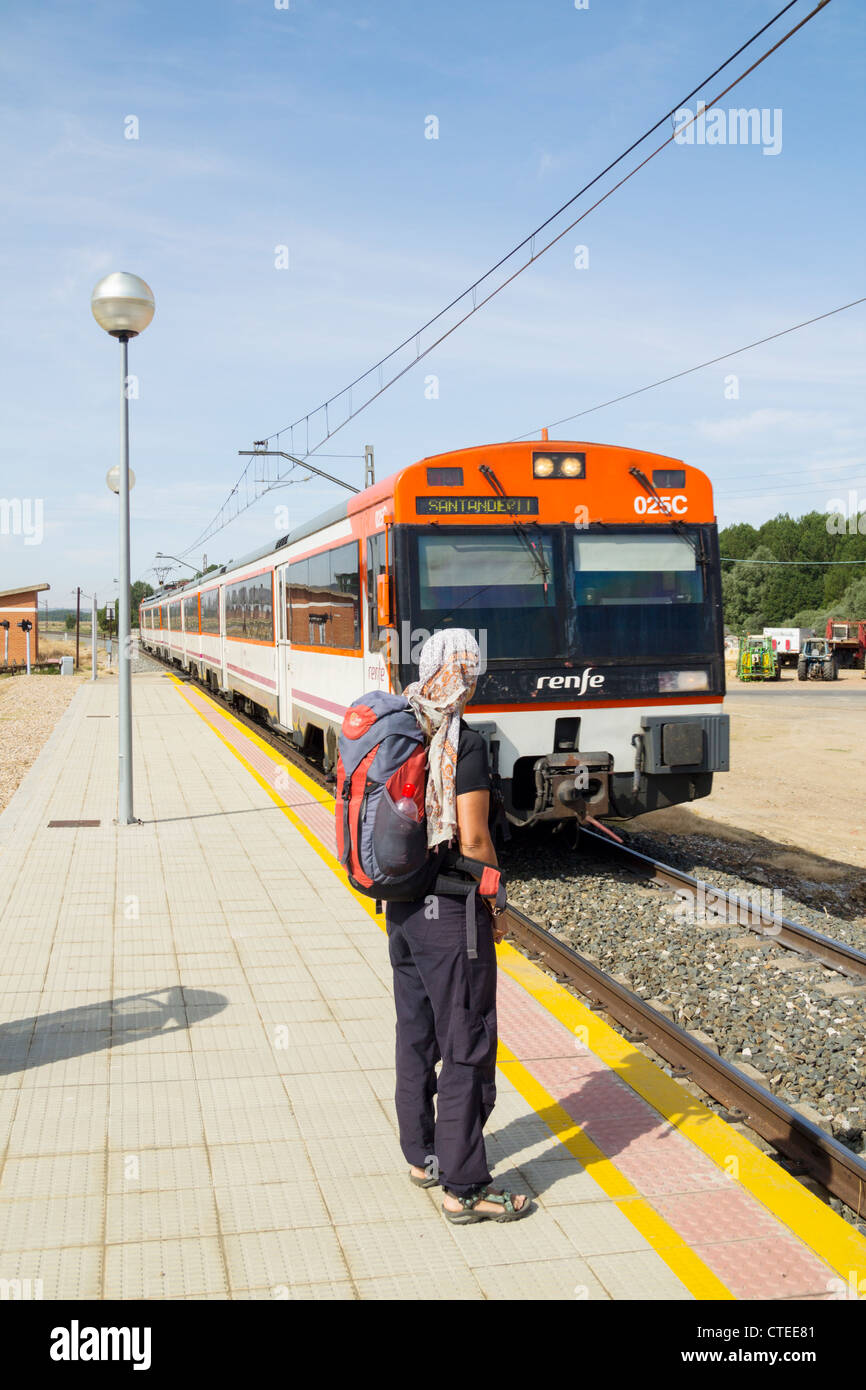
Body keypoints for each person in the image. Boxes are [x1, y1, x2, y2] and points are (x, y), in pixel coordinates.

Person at [385, 628, 532, 1224]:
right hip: (451, 915)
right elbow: (472, 839)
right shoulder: (463, 743)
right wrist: (496, 902)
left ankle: (423, 1157)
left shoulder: (399, 724)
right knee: (467, 1045)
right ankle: (464, 1187)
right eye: (473, 671)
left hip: (402, 910)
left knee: (415, 1032)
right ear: (464, 675)